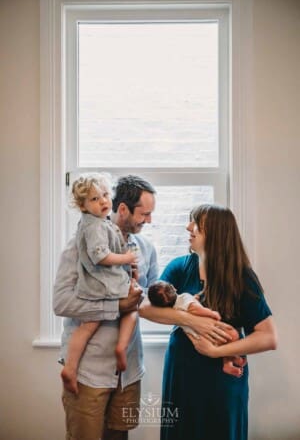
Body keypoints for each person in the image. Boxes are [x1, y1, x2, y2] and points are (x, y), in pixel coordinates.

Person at [139, 204, 278, 440]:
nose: (188, 227)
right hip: (181, 373)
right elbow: (145, 309)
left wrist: (217, 351)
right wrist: (190, 319)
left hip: (223, 380)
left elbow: (268, 336)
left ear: (215, 232)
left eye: (196, 223)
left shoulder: (242, 276)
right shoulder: (180, 267)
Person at [53, 175, 159, 440]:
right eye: (144, 214)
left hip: (128, 372)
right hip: (89, 371)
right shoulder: (81, 246)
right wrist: (116, 306)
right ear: (122, 209)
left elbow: (148, 300)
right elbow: (61, 302)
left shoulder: (146, 249)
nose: (149, 221)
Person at [61, 173, 139, 395]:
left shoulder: (97, 222)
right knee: (131, 308)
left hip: (99, 283)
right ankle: (121, 347)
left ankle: (70, 367)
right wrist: (127, 259)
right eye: (95, 199)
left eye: (105, 195)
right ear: (82, 205)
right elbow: (100, 256)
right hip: (103, 283)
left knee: (88, 327)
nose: (103, 201)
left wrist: (130, 264)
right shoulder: (94, 226)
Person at [148, 280, 246, 377]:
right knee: (233, 335)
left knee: (223, 344)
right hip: (209, 330)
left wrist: (194, 298)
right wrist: (211, 313)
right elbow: (195, 309)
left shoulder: (173, 310)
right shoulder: (184, 297)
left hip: (199, 337)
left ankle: (231, 360)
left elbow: (189, 306)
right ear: (173, 287)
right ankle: (229, 361)